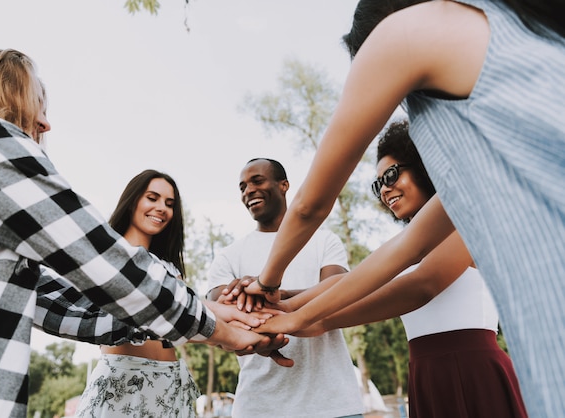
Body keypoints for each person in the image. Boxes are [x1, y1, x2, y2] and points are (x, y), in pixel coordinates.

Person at [245, 1, 565, 417]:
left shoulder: (407, 32)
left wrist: (272, 287)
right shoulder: (520, 47)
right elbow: (400, 254)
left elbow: (311, 204)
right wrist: (290, 306)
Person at [0, 43, 283, 418]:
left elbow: (57, 306)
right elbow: (106, 265)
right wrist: (221, 330)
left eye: (170, 203)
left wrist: (205, 312)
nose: (45, 123)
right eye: (37, 100)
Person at [271, 121, 528, 417]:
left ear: (423, 164)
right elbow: (355, 281)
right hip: (424, 374)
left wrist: (314, 319)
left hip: (474, 371)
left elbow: (423, 285)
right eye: (378, 183)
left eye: (391, 175)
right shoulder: (401, 247)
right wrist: (283, 301)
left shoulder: (466, 217)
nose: (385, 189)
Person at [206, 158, 365, 418]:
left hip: (334, 404)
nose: (248, 191)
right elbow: (221, 316)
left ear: (284, 185)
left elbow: (340, 293)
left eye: (257, 181)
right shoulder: (228, 256)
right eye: (242, 187)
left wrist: (277, 297)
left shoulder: (324, 240)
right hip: (260, 408)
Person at [73, 169, 201, 417]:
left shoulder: (169, 269)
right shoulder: (108, 254)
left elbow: (185, 326)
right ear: (132, 201)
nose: (162, 208)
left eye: (169, 203)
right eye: (152, 198)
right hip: (122, 384)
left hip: (170, 383)